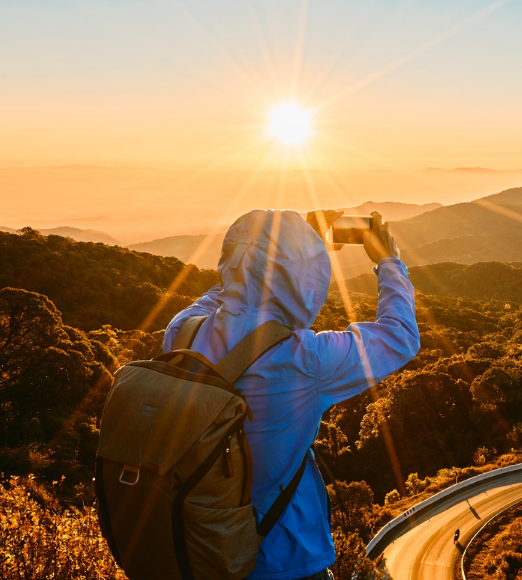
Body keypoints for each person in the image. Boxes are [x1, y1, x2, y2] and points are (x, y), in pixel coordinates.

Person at [163, 209, 419, 580]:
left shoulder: (182, 332)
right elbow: (399, 335)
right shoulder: (304, 358)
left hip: (197, 550)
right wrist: (388, 261)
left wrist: (277, 250)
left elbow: (226, 292)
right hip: (282, 559)